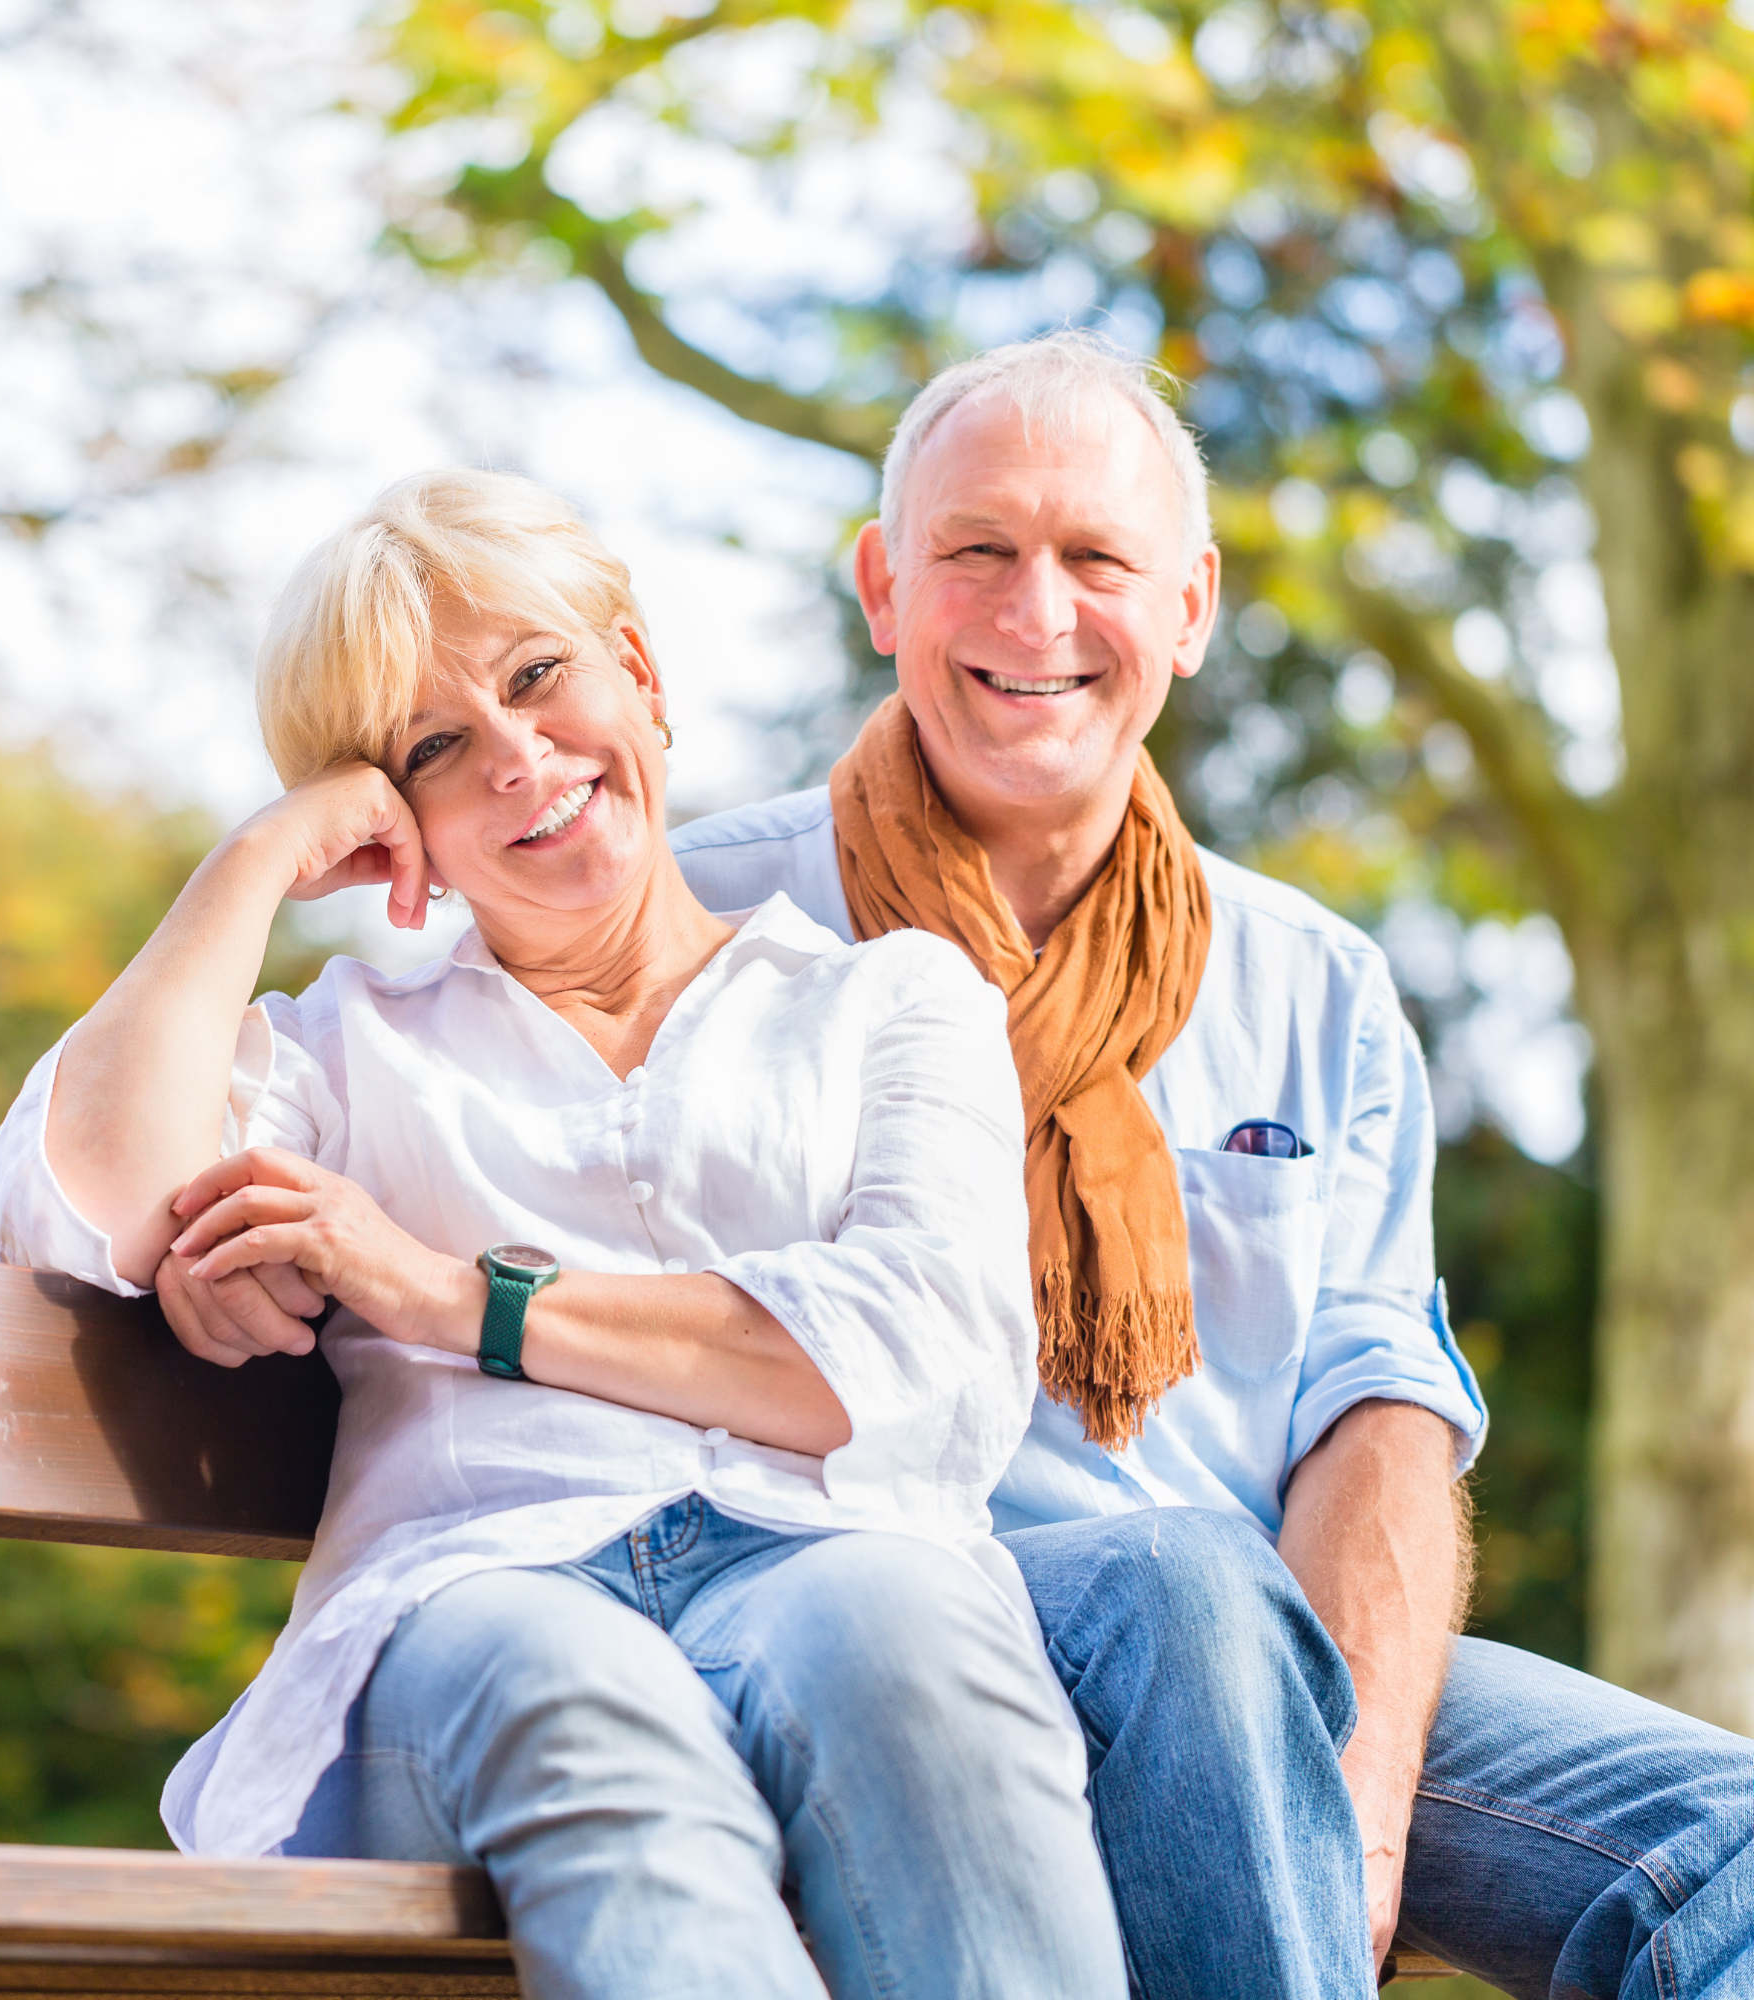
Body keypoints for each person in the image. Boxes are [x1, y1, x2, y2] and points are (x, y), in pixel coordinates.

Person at [668, 330, 1754, 2000]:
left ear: (1189, 607)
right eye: (979, 552)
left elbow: (1376, 1408)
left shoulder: (1313, 985)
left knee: (1724, 1840)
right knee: (1182, 1588)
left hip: (1259, 1658)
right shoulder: (695, 926)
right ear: (885, 587)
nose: (1039, 614)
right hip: (867, 1632)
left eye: (1099, 558)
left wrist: (1365, 1803)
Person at [0, 469, 1126, 2000]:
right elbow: (82, 1203)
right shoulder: (342, 1049)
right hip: (473, 1600)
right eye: (436, 749)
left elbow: (926, 1365)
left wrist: (446, 1296)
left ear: (639, 678)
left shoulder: (890, 1003)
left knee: (909, 1639)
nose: (518, 762)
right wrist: (252, 862)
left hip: (826, 1561)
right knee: (584, 1701)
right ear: (396, 829)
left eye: (539, 679)